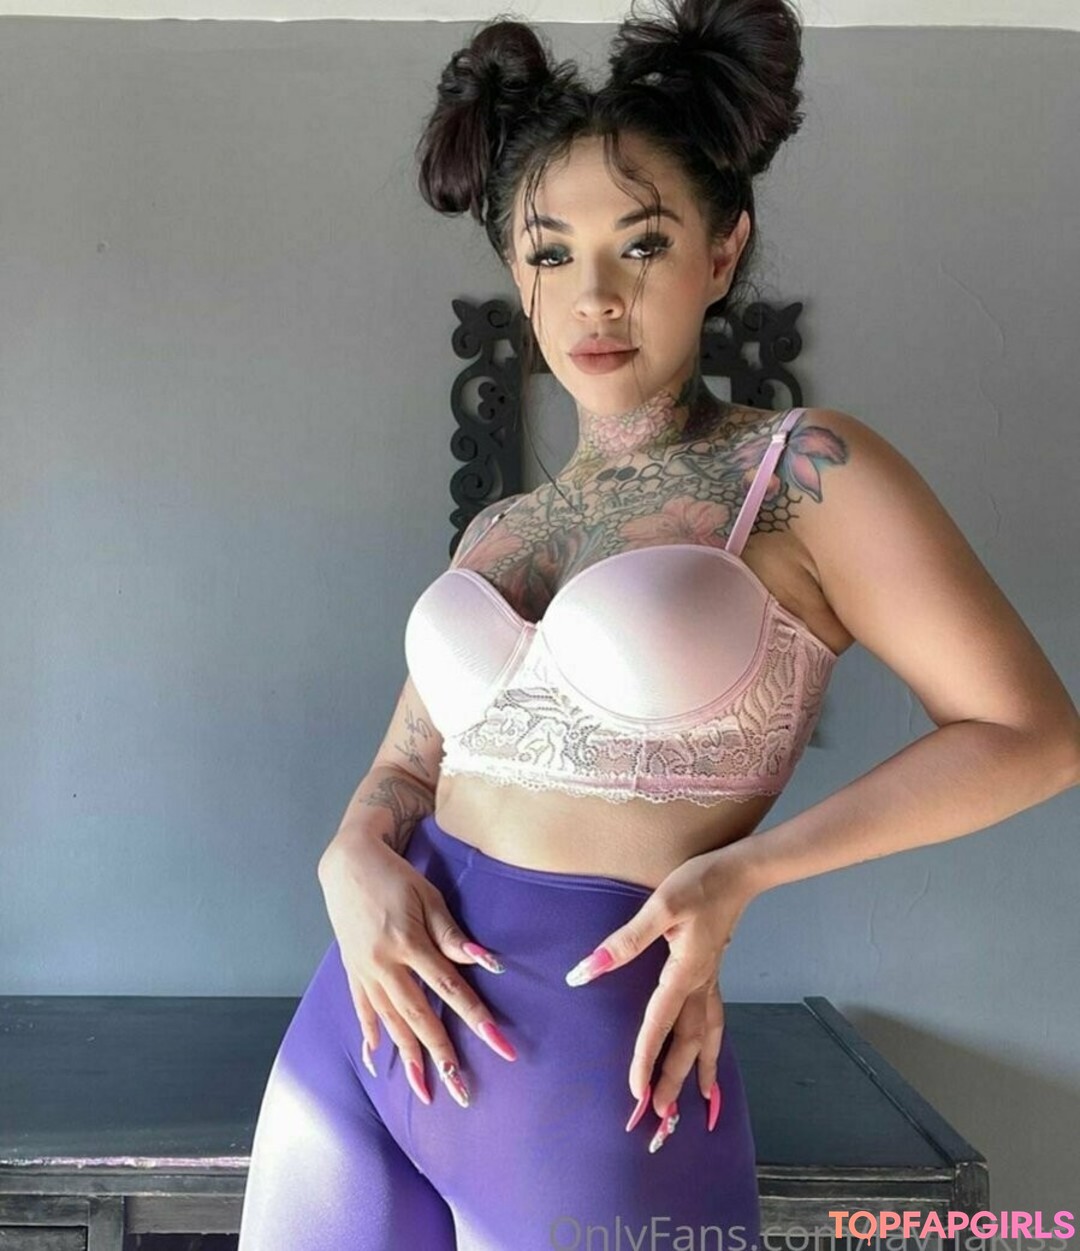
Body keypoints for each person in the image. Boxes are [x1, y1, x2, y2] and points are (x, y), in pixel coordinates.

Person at [236, 0, 1080, 1247]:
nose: (595, 296)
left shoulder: (801, 474)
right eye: (551, 253)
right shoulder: (503, 528)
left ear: (722, 254)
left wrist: (744, 872)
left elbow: (1033, 737)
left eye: (641, 244)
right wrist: (347, 855)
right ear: (516, 274)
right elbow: (410, 769)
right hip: (356, 1028)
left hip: (598, 1069)